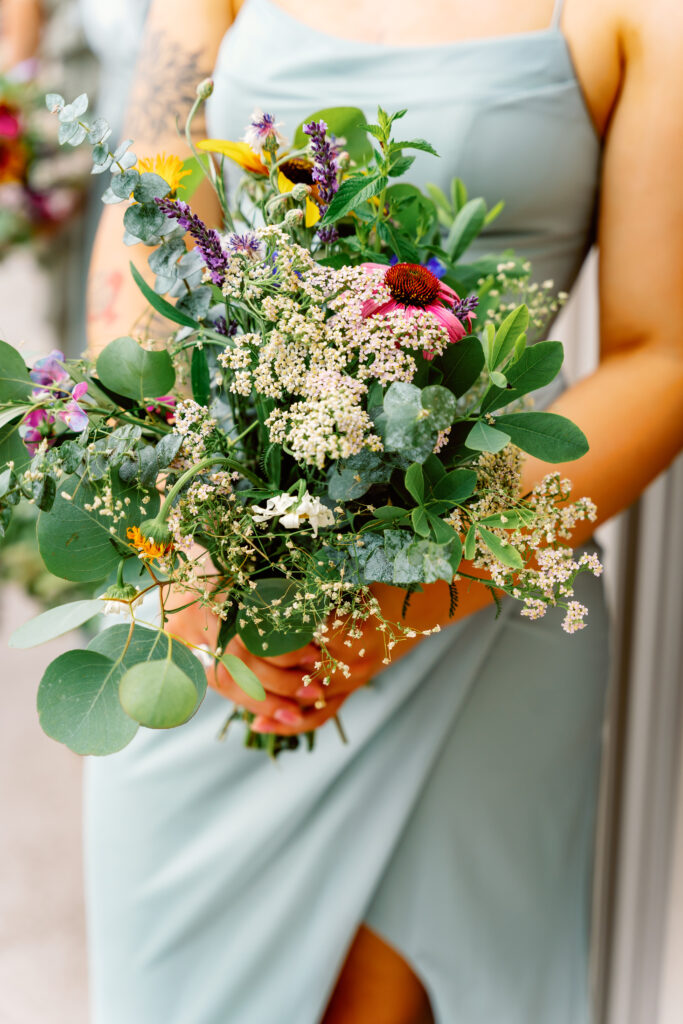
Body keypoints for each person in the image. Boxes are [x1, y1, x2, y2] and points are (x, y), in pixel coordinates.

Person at [84, 1, 683, 1021]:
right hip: (214, 595)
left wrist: (398, 603)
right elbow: (141, 245)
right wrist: (179, 551)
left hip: (480, 597)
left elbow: (657, 354)